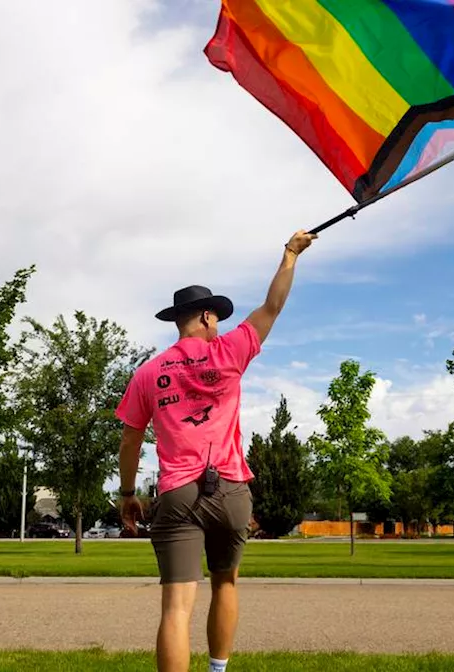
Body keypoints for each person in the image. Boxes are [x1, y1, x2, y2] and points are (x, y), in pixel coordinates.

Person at [115, 229, 317, 672]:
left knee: (175, 608)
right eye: (216, 318)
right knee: (225, 584)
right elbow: (273, 307)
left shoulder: (148, 373)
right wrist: (289, 256)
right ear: (207, 317)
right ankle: (218, 670)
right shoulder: (230, 351)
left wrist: (128, 493)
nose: (219, 325)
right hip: (230, 490)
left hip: (177, 492)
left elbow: (130, 439)